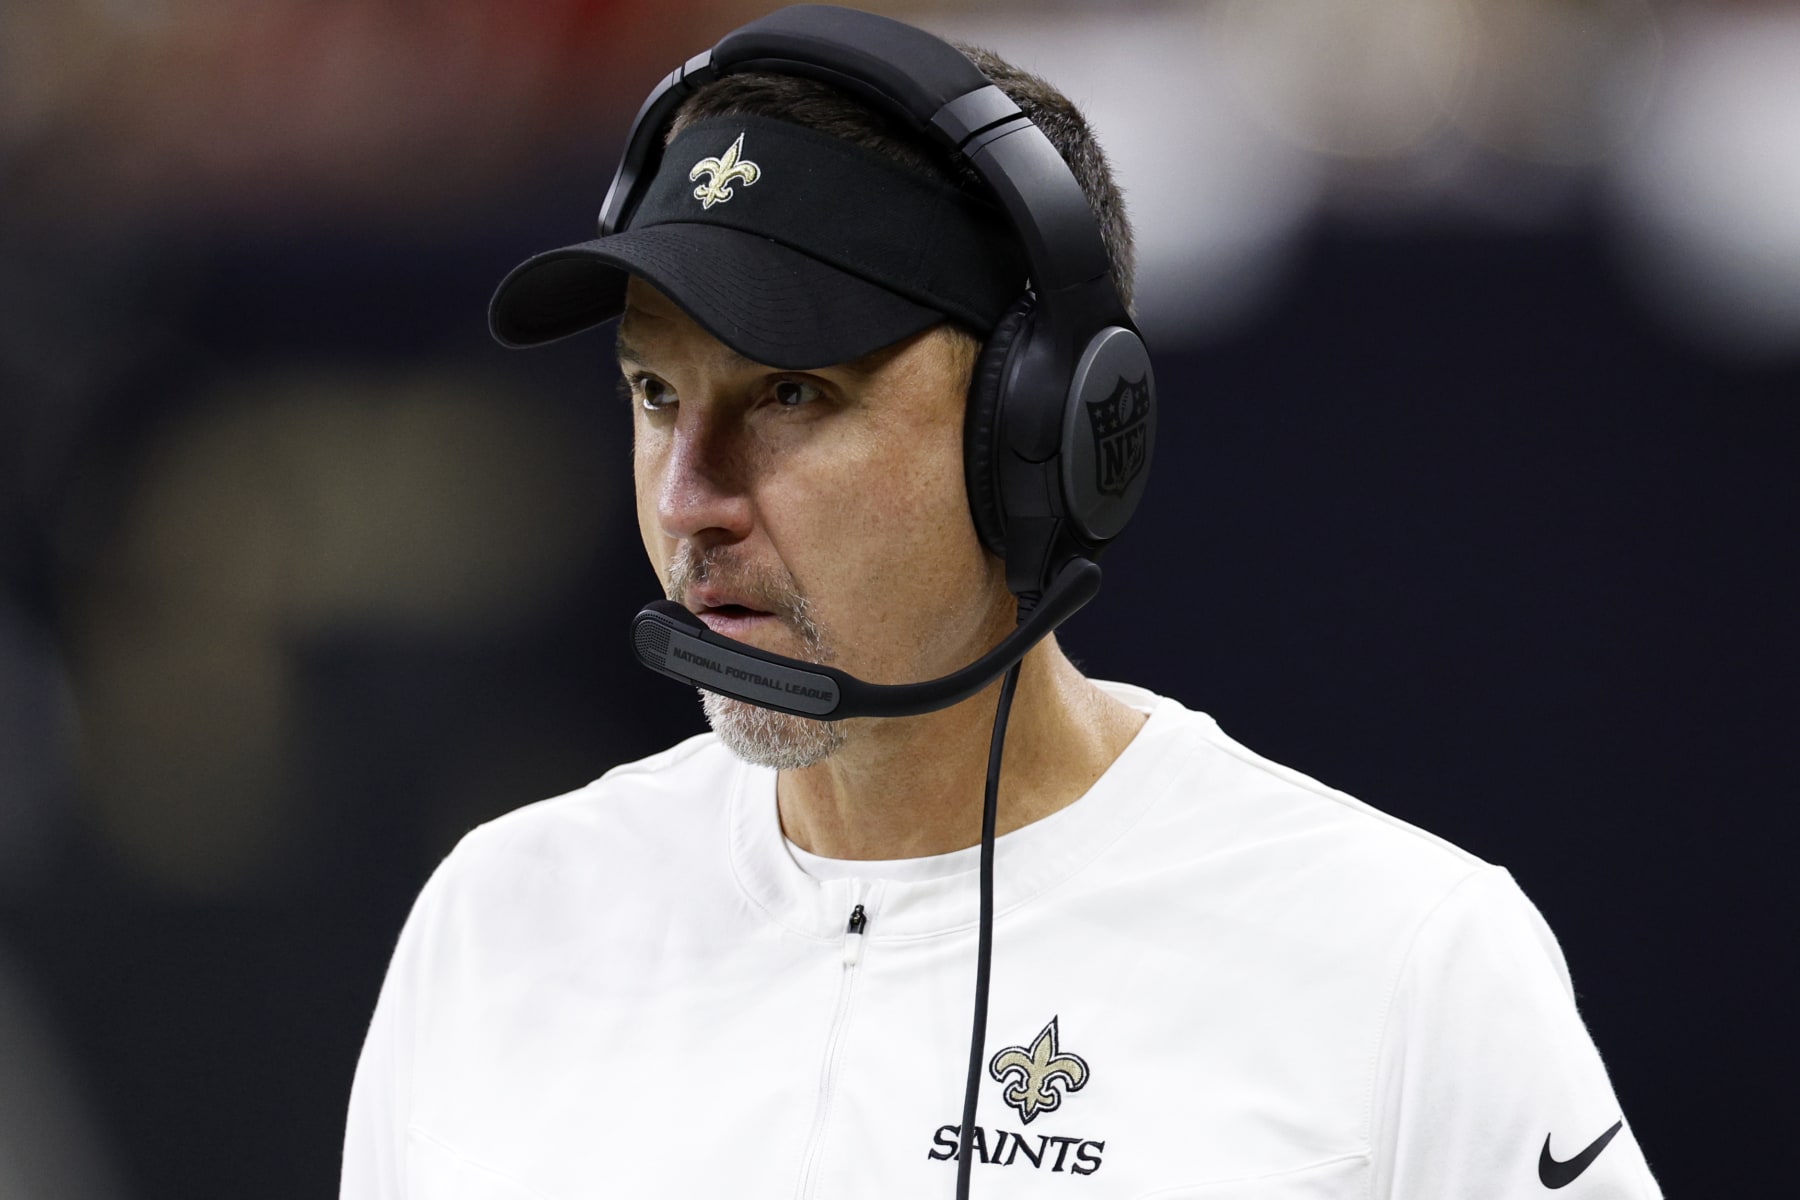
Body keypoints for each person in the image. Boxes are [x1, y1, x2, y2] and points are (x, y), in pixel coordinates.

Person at [342, 8, 1661, 1198]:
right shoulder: (499, 916)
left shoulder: (1404, 960)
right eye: (655, 395)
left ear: (1044, 433)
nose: (692, 499)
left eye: (791, 394)